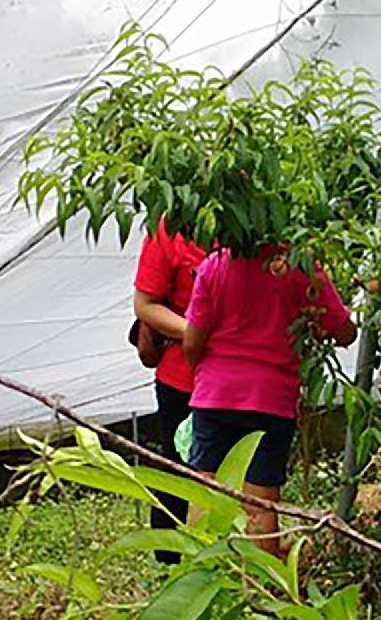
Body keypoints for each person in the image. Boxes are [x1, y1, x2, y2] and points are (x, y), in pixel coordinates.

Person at [182, 244, 356, 550]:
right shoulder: (301, 267)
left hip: (216, 393)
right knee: (260, 503)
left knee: (206, 490)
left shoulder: (216, 264)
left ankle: (201, 574)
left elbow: (192, 342)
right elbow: (345, 333)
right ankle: (258, 589)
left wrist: (208, 376)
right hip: (271, 398)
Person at [132, 219, 207, 562]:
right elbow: (146, 304)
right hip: (182, 379)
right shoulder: (170, 227)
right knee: (176, 471)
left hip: (244, 379)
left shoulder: (258, 219)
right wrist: (195, 333)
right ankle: (168, 566)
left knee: (242, 477)